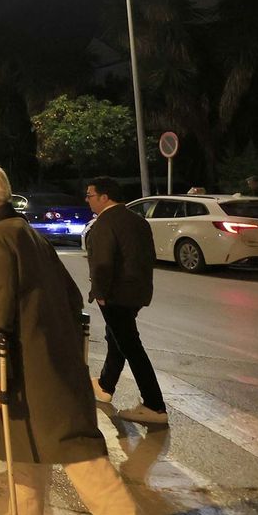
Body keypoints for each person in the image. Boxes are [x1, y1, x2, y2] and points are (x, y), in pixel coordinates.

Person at [0, 160, 216, 515]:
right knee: (26, 452)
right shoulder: (25, 233)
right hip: (47, 371)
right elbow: (72, 299)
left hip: (32, 378)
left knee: (93, 476)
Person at [84, 176, 167, 425]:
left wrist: (100, 293)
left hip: (115, 295)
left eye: (90, 195)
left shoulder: (104, 223)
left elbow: (102, 263)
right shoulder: (137, 220)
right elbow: (149, 256)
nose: (87, 200)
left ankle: (154, 405)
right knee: (117, 338)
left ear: (104, 197)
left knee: (131, 346)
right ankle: (105, 385)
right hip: (137, 292)